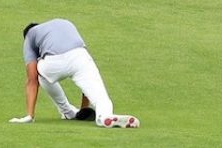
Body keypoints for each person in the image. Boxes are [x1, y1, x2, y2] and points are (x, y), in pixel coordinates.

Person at [9, 19, 140, 128]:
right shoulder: (64, 23)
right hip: (80, 56)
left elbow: (32, 80)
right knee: (101, 98)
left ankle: (67, 112)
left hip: (55, 63)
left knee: (39, 72)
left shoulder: (30, 35)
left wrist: (30, 116)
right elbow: (85, 87)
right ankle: (104, 116)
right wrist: (84, 110)